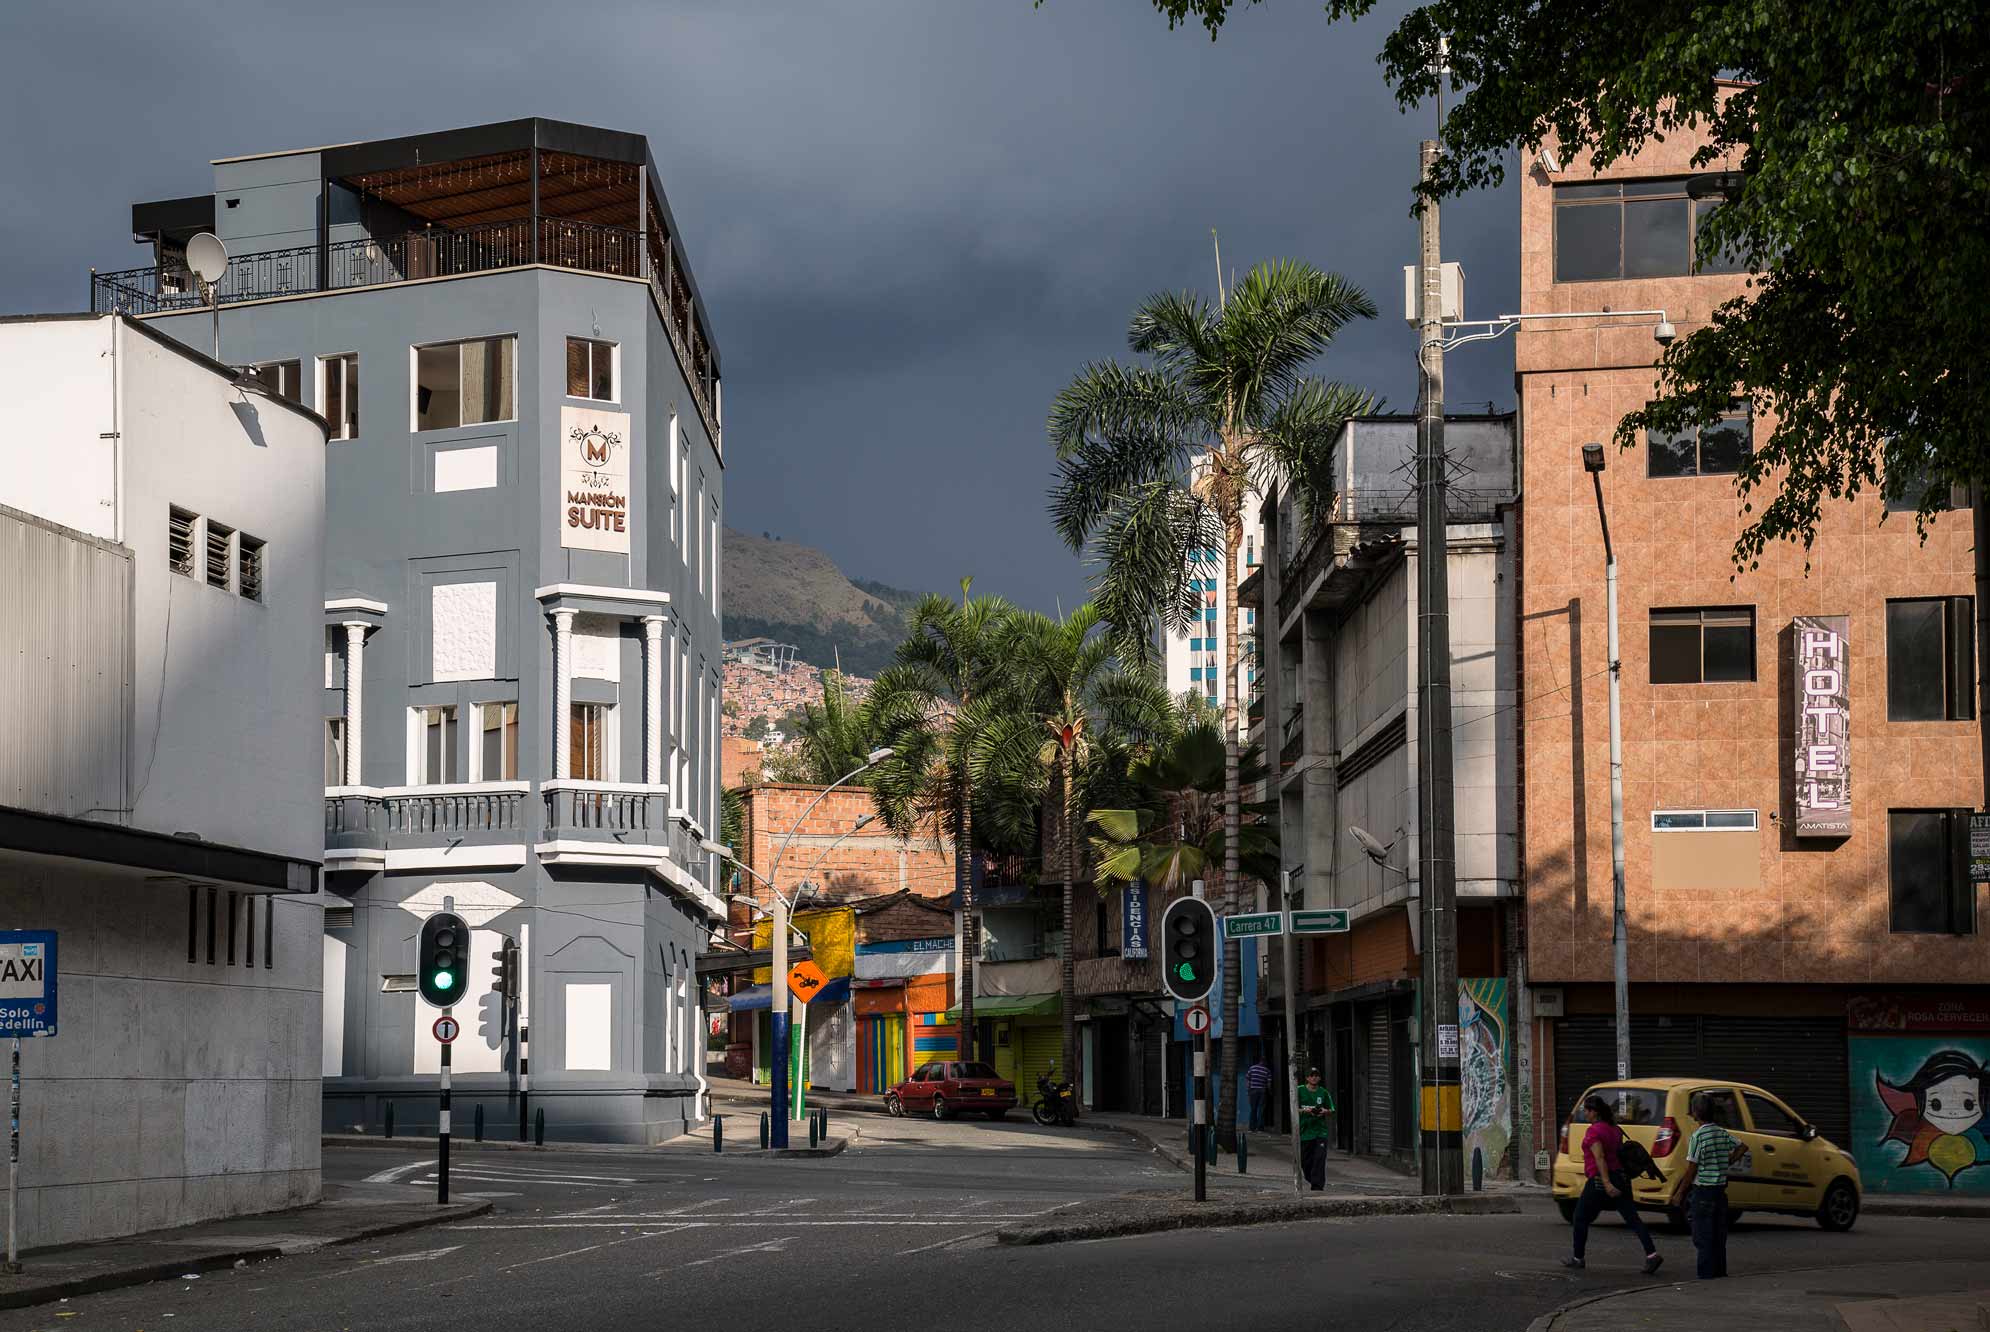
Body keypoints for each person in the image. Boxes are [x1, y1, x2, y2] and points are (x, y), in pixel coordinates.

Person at [1563, 1094, 1663, 1275]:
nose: (1585, 1114)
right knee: (1633, 1218)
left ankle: (1578, 1259)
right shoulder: (1615, 1129)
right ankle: (1652, 1254)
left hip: (1601, 1180)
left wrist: (1607, 1183)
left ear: (1594, 1112)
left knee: (1580, 1218)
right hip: (1621, 1178)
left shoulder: (1594, 1131)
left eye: (1586, 1110)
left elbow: (1600, 1158)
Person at [1668, 1091, 1745, 1279]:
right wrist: (1727, 1162)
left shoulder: (1698, 1137)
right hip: (1720, 1193)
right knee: (1719, 1236)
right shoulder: (1721, 1133)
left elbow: (1691, 1169)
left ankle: (1706, 1277)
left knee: (1702, 1238)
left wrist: (1679, 1193)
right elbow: (1743, 1147)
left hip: (1702, 1193)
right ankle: (1720, 1274)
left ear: (1696, 1113)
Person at [1297, 1067, 1334, 1190]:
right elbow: (1294, 1108)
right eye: (1311, 1075)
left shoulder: (1323, 1092)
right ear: (1307, 1078)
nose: (1314, 1077)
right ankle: (1311, 1178)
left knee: (1319, 1158)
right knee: (1305, 1161)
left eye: (1316, 1075)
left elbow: (1331, 1110)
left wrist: (1324, 1111)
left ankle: (1317, 1186)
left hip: (1320, 1132)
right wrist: (1306, 1111)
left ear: (1320, 1077)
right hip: (1305, 1132)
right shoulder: (1299, 1090)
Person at [1246, 1054, 1273, 1132]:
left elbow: (1248, 1080)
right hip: (1262, 1091)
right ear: (1265, 1062)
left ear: (1259, 1061)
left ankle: (1251, 1128)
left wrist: (1248, 1090)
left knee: (1253, 1109)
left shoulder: (1252, 1068)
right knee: (1261, 1110)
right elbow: (1269, 1084)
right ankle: (1260, 1128)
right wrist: (1270, 1091)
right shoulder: (1267, 1070)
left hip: (1253, 1090)